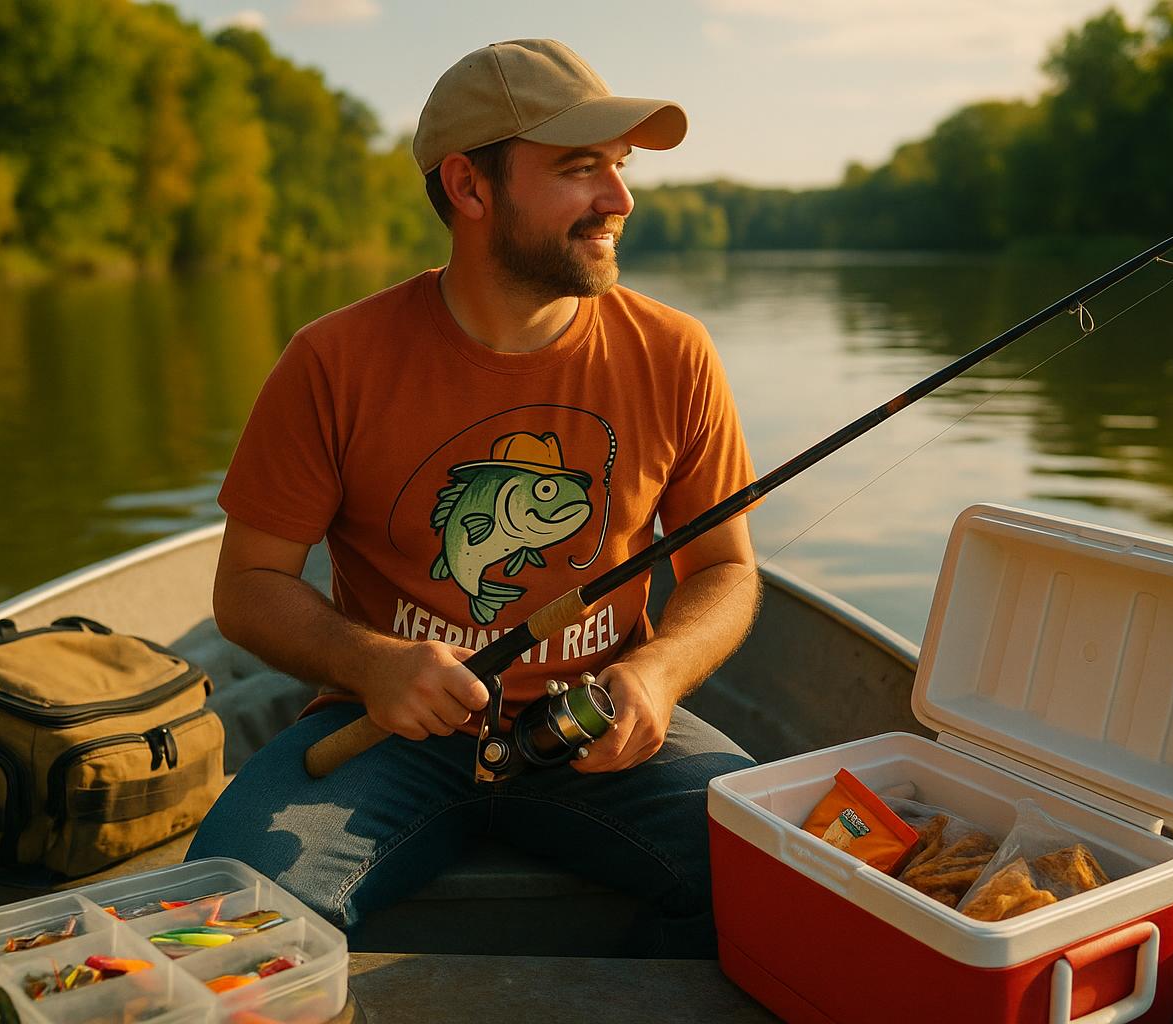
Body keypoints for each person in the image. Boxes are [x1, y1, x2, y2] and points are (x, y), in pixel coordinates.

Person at [187, 38, 761, 957]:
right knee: (221, 932)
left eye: (617, 168)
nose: (619, 199)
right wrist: (374, 664)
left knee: (785, 884)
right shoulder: (332, 361)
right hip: (380, 729)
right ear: (468, 186)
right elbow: (247, 585)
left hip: (599, 727)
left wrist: (658, 675)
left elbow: (725, 570)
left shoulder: (675, 352)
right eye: (580, 169)